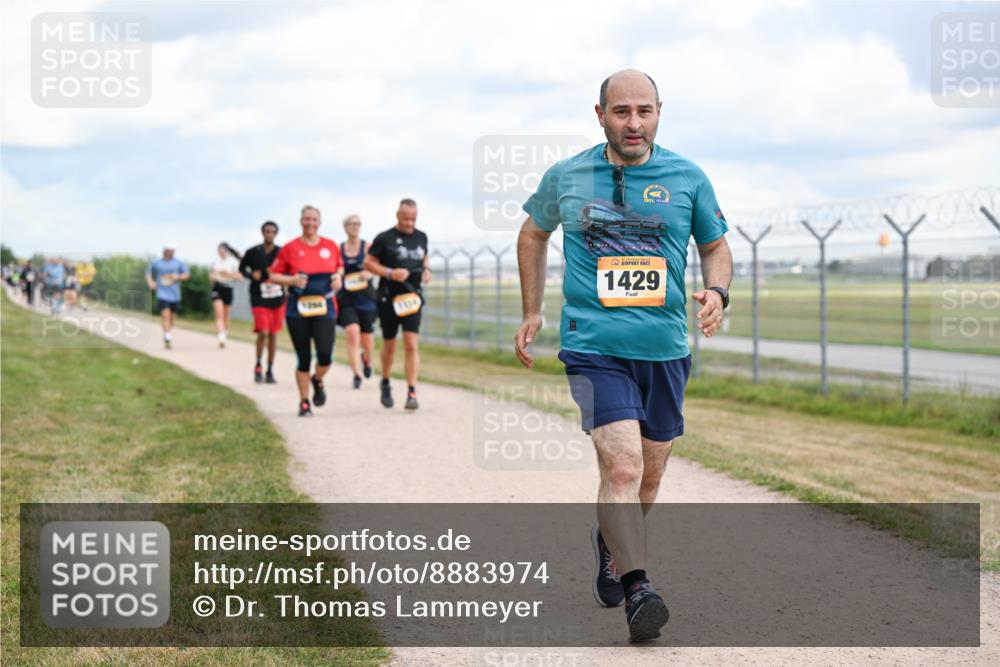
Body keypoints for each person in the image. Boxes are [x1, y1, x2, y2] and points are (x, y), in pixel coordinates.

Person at [514, 69, 732, 643]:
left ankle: (610, 544)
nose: (633, 123)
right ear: (600, 113)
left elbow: (714, 247)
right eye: (621, 112)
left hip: (663, 351)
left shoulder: (687, 176)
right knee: (623, 466)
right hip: (593, 345)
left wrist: (718, 291)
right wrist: (532, 310)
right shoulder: (567, 175)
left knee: (649, 478)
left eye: (644, 111)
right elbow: (532, 234)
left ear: (659, 111)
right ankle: (639, 588)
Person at [267, 206, 343, 416]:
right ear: (301, 221)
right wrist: (291, 279)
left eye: (314, 219)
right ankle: (304, 402)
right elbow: (273, 275)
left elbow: (339, 268)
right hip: (297, 308)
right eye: (307, 219)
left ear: (320, 222)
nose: (310, 223)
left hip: (324, 306)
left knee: (326, 355)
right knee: (303, 358)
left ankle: (317, 379)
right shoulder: (290, 248)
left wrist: (338, 278)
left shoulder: (330, 246)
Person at [364, 198, 430, 410]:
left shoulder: (421, 237)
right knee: (390, 346)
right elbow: (368, 263)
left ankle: (412, 391)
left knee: (411, 344)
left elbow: (424, 258)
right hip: (389, 299)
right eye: (405, 219)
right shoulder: (385, 238)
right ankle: (385, 381)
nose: (409, 223)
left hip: (412, 298)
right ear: (397, 216)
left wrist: (427, 270)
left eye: (413, 219)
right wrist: (390, 273)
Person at [240, 221, 285, 383]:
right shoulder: (252, 252)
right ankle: (258, 364)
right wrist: (252, 275)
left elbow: (288, 270)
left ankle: (270, 369)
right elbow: (242, 268)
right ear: (262, 233)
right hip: (259, 297)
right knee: (263, 331)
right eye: (267, 231)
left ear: (276, 234)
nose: (269, 234)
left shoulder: (281, 252)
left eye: (272, 232)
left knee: (273, 334)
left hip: (277, 298)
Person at [336, 214, 378, 389]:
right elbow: (336, 268)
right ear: (345, 227)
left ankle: (367, 359)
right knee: (353, 333)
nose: (354, 227)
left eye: (357, 224)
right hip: (347, 298)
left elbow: (377, 265)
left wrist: (370, 273)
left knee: (367, 337)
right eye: (351, 224)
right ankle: (356, 373)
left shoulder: (367, 247)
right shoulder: (339, 249)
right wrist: (338, 276)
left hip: (366, 297)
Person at [145, 243, 190, 349]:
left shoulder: (179, 263)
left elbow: (187, 275)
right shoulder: (157, 263)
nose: (173, 252)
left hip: (175, 295)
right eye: (171, 250)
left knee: (172, 319)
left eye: (174, 250)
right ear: (165, 250)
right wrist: (151, 282)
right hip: (162, 293)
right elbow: (148, 273)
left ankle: (167, 332)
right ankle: (167, 337)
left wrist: (177, 276)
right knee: (166, 316)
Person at [210, 242, 244, 348]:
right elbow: (211, 276)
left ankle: (225, 331)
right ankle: (221, 336)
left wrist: (228, 274)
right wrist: (214, 276)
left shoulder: (233, 262)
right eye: (218, 249)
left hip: (228, 287)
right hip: (217, 287)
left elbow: (240, 277)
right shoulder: (215, 262)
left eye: (221, 249)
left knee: (226, 314)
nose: (219, 251)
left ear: (226, 250)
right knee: (219, 313)